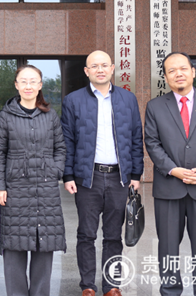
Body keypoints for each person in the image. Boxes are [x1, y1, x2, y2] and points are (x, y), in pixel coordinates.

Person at [144, 52, 196, 296]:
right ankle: (170, 291)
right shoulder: (155, 107)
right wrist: (173, 170)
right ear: (165, 77)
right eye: (171, 70)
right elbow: (152, 143)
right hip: (169, 188)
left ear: (193, 72)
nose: (178, 74)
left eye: (183, 68)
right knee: (167, 247)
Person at [61, 50, 144, 296]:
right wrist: (68, 175)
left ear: (112, 68)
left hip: (119, 177)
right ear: (86, 71)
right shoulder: (73, 100)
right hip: (88, 177)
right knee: (86, 234)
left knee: (113, 235)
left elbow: (136, 139)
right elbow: (67, 141)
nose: (100, 69)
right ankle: (88, 286)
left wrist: (136, 174)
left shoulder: (128, 99)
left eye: (104, 65)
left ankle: (111, 285)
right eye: (94, 66)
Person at [0, 65, 66, 296]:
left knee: (44, 244)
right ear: (16, 85)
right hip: (16, 188)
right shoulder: (6, 116)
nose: (28, 86)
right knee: (14, 244)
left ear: (40, 85)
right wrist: (0, 186)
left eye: (33, 81)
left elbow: (60, 148)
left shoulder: (50, 116)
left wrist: (56, 171)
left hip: (46, 187)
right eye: (23, 81)